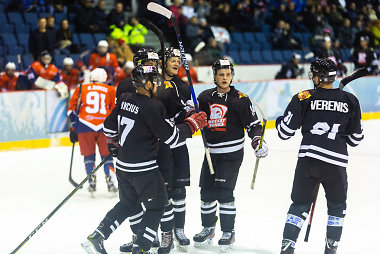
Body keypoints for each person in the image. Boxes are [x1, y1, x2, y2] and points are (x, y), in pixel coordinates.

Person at [81, 65, 207, 254]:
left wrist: (119, 143)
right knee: (158, 206)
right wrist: (191, 124)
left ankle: (97, 237)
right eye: (154, 81)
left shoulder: (125, 99)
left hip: (123, 167)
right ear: (146, 84)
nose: (157, 84)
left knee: (127, 204)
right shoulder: (152, 106)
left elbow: (108, 128)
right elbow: (171, 138)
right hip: (144, 169)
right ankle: (141, 248)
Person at [276, 58, 364, 254]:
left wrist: (279, 122)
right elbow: (356, 139)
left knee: (299, 204)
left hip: (308, 160)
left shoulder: (303, 97)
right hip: (335, 163)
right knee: (337, 207)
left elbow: (284, 133)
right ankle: (330, 250)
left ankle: (287, 247)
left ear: (317, 76)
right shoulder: (350, 100)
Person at [193, 59, 268, 251]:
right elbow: (195, 119)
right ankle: (208, 228)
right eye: (221, 74)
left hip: (231, 154)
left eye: (227, 75)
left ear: (232, 76)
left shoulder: (240, 99)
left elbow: (253, 125)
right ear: (215, 76)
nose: (225, 78)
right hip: (211, 153)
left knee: (224, 193)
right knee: (207, 193)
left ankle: (228, 232)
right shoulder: (204, 97)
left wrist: (258, 141)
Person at [67, 68, 117, 194]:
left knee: (89, 156)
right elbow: (114, 111)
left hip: (84, 126)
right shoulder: (111, 90)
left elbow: (71, 111)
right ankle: (110, 181)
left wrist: (74, 127)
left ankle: (91, 180)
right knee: (107, 155)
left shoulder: (81, 89)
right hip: (104, 127)